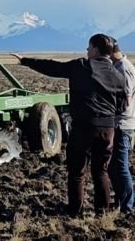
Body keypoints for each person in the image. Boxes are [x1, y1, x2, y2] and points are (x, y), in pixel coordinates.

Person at [12, 34, 128, 216]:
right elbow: (122, 106)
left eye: (89, 47)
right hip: (107, 130)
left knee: (77, 171)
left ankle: (76, 212)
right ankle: (103, 213)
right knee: (101, 171)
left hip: (83, 127)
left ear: (96, 49)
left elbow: (53, 68)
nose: (87, 51)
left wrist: (26, 61)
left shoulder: (82, 66)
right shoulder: (118, 76)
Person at [110, 38, 135, 213]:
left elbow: (125, 101)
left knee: (121, 166)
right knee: (114, 166)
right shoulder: (119, 66)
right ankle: (122, 199)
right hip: (120, 122)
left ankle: (128, 205)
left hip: (122, 123)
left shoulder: (124, 69)